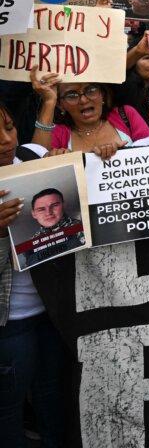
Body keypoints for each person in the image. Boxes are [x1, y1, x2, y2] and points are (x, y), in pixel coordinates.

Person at [0, 100, 68, 448]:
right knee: (8, 411)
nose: (5, 139)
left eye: (9, 127)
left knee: (53, 399)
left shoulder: (29, 161)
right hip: (10, 324)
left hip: (49, 313)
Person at [30, 74, 149, 158]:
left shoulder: (126, 114)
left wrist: (121, 154)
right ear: (61, 105)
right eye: (71, 95)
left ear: (102, 95)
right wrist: (49, 101)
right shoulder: (58, 132)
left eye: (91, 90)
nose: (83, 100)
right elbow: (36, 159)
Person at [23, 189, 85, 268]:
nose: (48, 213)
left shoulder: (83, 228)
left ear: (63, 205)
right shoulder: (30, 243)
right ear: (34, 214)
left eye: (55, 205)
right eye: (41, 209)